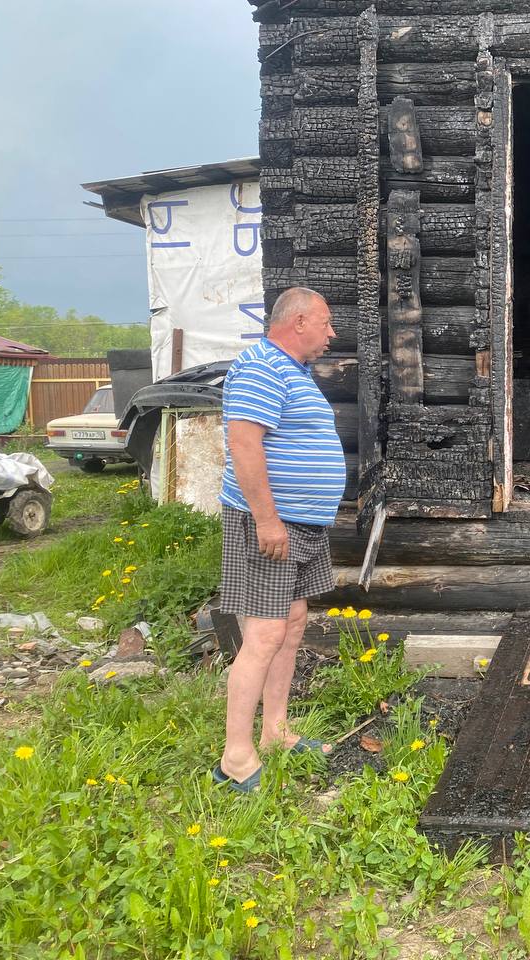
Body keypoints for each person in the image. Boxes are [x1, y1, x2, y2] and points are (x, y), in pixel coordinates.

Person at [213, 287, 346, 792]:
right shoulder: (261, 366)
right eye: (326, 323)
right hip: (274, 525)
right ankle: (236, 757)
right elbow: (244, 443)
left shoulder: (291, 372)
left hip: (304, 524)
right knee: (265, 634)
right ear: (298, 322)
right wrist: (267, 521)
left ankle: (275, 733)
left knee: (290, 624)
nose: (332, 333)